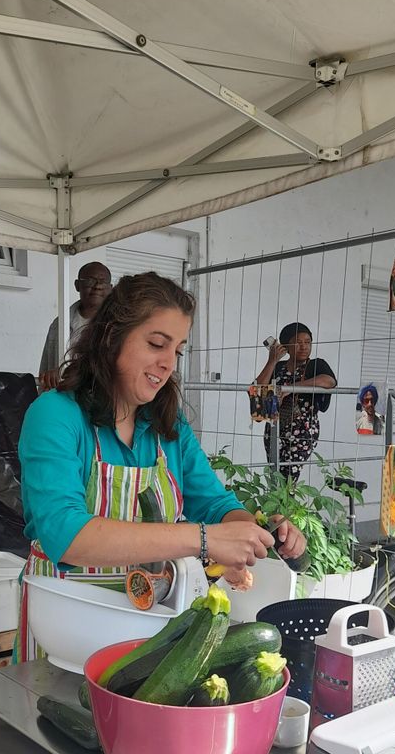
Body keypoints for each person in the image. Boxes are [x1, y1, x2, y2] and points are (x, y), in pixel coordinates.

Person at [17, 272, 306, 662]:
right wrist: (203, 539)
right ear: (112, 337)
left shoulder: (167, 426)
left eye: (178, 351)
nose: (168, 363)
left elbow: (215, 504)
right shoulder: (55, 415)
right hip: (62, 637)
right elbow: (67, 536)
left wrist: (253, 532)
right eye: (156, 344)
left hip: (147, 637)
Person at [255, 322, 337, 482]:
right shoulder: (278, 367)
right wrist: (272, 361)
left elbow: (328, 381)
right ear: (286, 346)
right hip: (275, 427)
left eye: (308, 342)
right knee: (275, 475)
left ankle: (286, 499)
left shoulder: (316, 365)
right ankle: (278, 499)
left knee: (288, 478)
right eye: (298, 342)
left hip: (303, 430)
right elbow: (258, 391)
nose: (304, 347)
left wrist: (290, 388)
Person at [38, 262, 112, 390]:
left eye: (103, 281)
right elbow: (47, 366)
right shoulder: (59, 324)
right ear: (77, 285)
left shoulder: (117, 325)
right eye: (90, 281)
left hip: (100, 395)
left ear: (111, 288)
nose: (97, 286)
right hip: (64, 394)